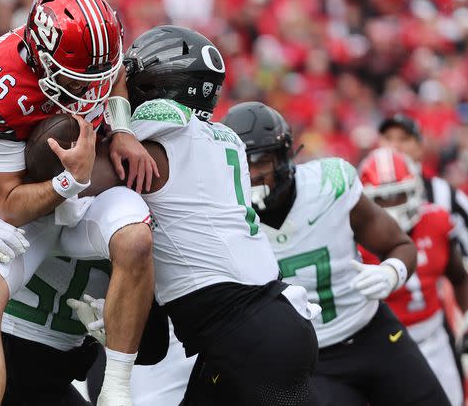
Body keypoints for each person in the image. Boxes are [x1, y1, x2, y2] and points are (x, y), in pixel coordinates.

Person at [122, 101, 449, 405]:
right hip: (307, 359)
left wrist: (392, 271)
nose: (250, 173)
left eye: (259, 160)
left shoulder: (329, 185)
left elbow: (400, 244)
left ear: (284, 157)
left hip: (370, 333)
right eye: (242, 160)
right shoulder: (215, 216)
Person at [0, 0, 156, 406]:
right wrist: (69, 181)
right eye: (80, 80)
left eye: (97, 78)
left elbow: (113, 73)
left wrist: (120, 128)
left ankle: (116, 389)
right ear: (41, 59)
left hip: (88, 190)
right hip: (29, 202)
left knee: (136, 237)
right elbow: (9, 205)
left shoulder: (100, 51)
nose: (92, 92)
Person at [119, 26, 321, 405]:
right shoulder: (219, 138)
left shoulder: (166, 127)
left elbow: (86, 172)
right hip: (260, 323)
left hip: (246, 334)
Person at [0, 183, 169, 406]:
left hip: (50, 382)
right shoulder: (33, 178)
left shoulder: (132, 221)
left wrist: (116, 326)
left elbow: (154, 347)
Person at [358, 147, 468, 406]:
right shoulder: (352, 237)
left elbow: (459, 277)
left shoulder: (437, 220)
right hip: (382, 344)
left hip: (434, 338)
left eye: (398, 196)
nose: (392, 207)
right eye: (382, 199)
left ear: (415, 190)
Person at [377, 114, 468, 296]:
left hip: (433, 308)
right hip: (379, 311)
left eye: (403, 139)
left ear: (420, 147)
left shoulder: (445, 195)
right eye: (387, 138)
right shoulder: (358, 193)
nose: (394, 146)